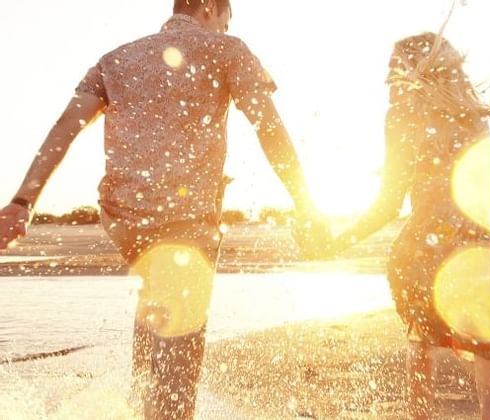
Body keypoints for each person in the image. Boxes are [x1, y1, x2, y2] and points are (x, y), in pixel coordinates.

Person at [0, 0, 326, 418]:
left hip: (122, 219)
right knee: (178, 379)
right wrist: (306, 203)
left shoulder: (116, 58)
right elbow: (269, 127)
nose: (226, 31)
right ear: (211, 8)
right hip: (184, 220)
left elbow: (66, 127)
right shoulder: (227, 50)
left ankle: (138, 405)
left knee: (154, 311)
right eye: (226, 22)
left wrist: (23, 201)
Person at [329, 32, 490, 419]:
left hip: (427, 251)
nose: (388, 82)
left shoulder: (402, 116)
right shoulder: (471, 114)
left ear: (416, 73)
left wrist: (335, 242)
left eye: (393, 71)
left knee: (421, 357)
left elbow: (388, 204)